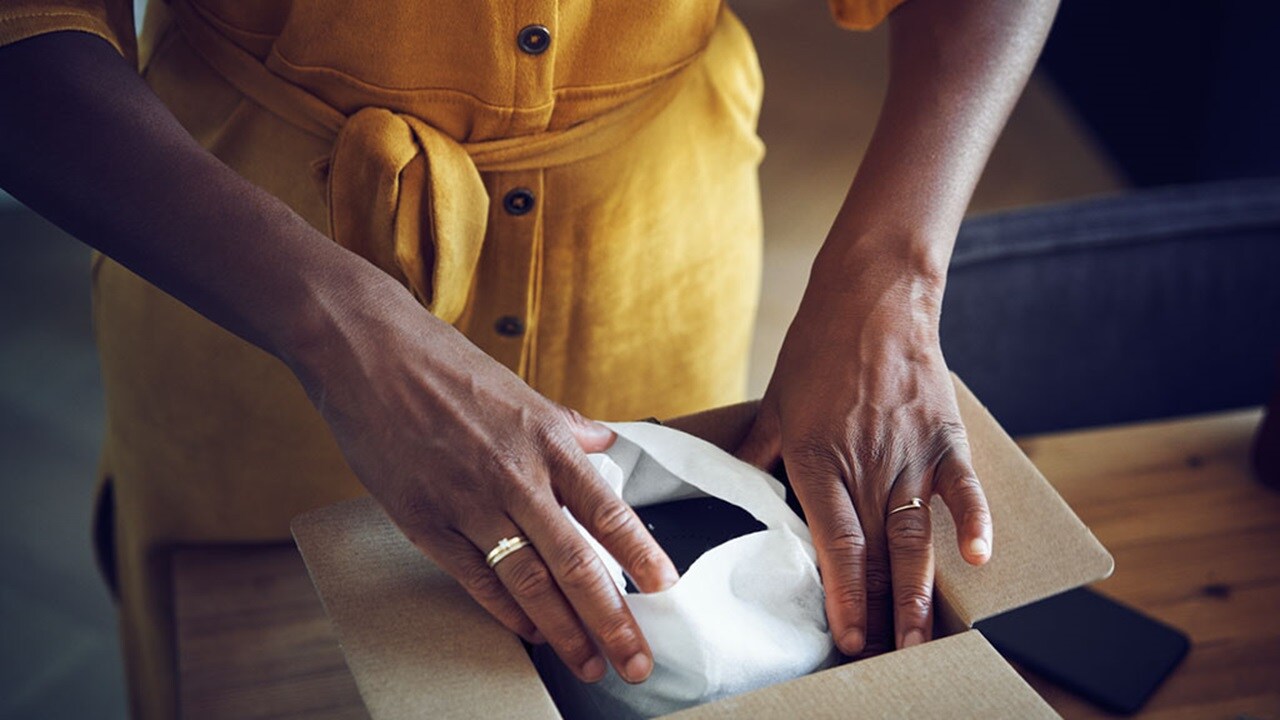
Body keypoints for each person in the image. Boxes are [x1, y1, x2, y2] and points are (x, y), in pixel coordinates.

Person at [0, 0, 1055, 717]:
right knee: (270, 669)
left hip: (649, 249)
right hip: (247, 269)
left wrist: (895, 272)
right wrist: (340, 334)